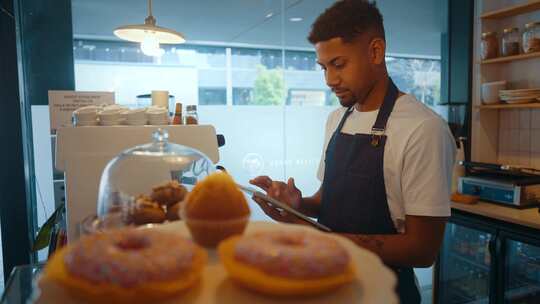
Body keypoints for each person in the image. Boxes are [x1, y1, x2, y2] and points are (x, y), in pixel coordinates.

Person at [249, 1, 456, 303]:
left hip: (384, 292)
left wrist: (324, 239)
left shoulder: (423, 129)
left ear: (375, 52)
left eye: (339, 64)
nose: (329, 80)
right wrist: (298, 206)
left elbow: (422, 250)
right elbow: (327, 200)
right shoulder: (338, 119)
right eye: (324, 67)